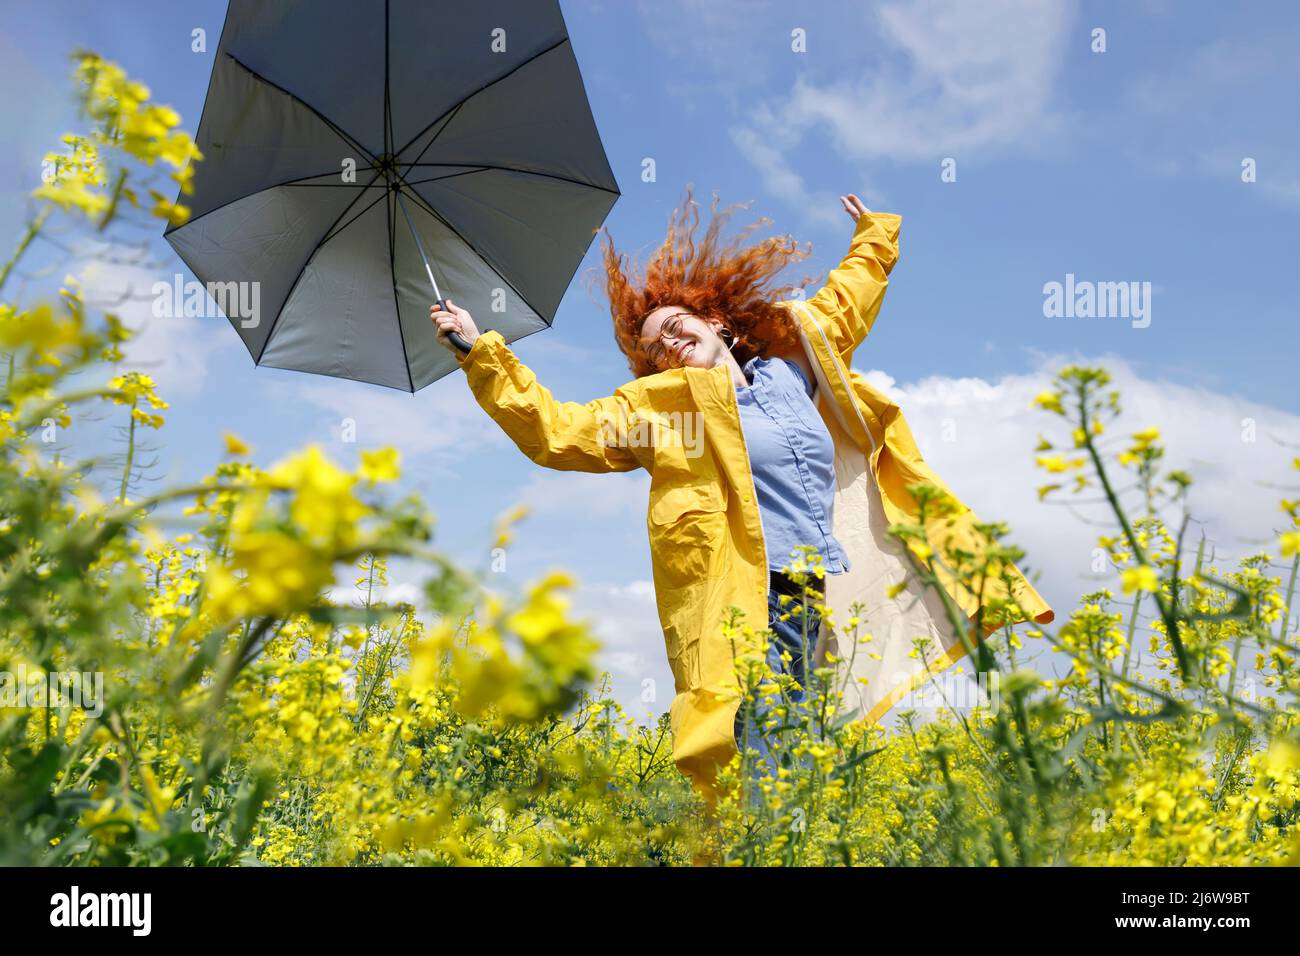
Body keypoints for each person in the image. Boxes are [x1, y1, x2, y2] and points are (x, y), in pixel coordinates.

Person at [430, 186, 1055, 810]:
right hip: (744, 601)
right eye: (655, 347)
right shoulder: (659, 411)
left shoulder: (790, 371)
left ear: (717, 323)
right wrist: (480, 352)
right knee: (761, 756)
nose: (669, 343)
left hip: (816, 600)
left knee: (798, 764)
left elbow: (844, 305)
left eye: (677, 326)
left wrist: (875, 238)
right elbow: (555, 431)